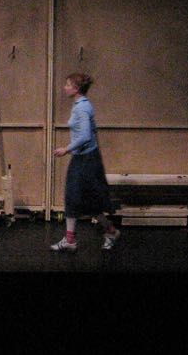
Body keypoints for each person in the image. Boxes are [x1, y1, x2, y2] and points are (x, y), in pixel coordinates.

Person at [51, 72, 121, 251]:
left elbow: (85, 135)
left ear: (76, 88)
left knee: (77, 197)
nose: (65, 87)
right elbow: (93, 130)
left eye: (68, 85)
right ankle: (108, 232)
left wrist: (66, 149)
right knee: (84, 199)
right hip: (86, 157)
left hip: (86, 160)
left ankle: (78, 238)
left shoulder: (81, 108)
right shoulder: (83, 105)